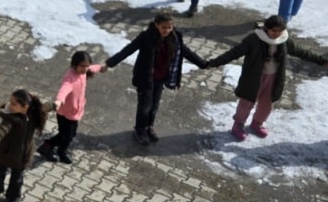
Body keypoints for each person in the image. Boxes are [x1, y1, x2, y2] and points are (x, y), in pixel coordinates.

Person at [208, 15, 328, 140]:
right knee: (247, 102)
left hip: (273, 78)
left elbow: (301, 51)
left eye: (279, 31)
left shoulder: (284, 40)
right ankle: (238, 124)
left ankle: (257, 123)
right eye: (273, 31)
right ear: (266, 29)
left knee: (267, 103)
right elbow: (234, 53)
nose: (276, 34)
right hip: (253, 78)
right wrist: (213, 63)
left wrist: (322, 61)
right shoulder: (253, 39)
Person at [106, 13, 208, 146]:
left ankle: (149, 126)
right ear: (156, 25)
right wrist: (110, 63)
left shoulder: (175, 38)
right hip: (145, 77)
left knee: (154, 106)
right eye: (163, 27)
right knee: (145, 106)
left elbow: (186, 52)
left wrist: (204, 64)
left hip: (161, 78)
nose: (166, 30)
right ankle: (140, 129)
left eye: (169, 27)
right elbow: (128, 50)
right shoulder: (146, 37)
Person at [37, 52, 105, 164]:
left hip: (74, 111)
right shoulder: (70, 78)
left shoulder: (84, 72)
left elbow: (92, 68)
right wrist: (59, 101)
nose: (85, 68)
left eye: (86, 65)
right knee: (67, 135)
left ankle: (52, 147)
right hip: (66, 113)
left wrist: (101, 67)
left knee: (68, 134)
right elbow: (64, 90)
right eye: (82, 66)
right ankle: (56, 150)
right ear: (74, 65)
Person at [0, 89, 47, 202]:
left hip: (22, 156)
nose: (10, 105)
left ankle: (13, 198)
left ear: (25, 107)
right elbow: (1, 130)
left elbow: (47, 106)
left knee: (17, 179)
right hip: (4, 152)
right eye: (10, 102)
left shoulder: (34, 115)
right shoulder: (10, 117)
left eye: (14, 104)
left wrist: (58, 103)